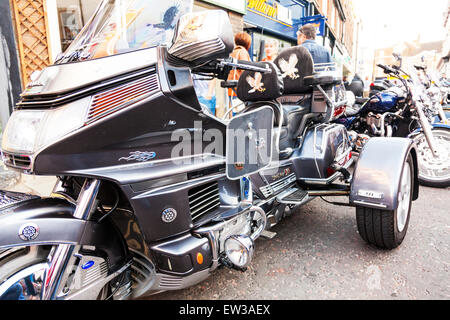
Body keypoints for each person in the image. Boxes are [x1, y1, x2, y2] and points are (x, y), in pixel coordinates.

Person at [227, 32, 252, 117]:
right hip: (240, 89)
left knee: (233, 112)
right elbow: (247, 70)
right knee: (241, 114)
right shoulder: (242, 52)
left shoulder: (233, 52)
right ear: (248, 43)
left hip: (231, 89)